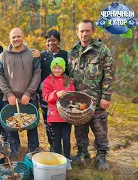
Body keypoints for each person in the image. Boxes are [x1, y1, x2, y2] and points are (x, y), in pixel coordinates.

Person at [68, 20, 115, 171]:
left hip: (96, 100)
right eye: (81, 31)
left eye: (87, 31)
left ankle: (101, 156)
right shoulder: (72, 52)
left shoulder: (102, 50)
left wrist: (106, 97)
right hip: (78, 101)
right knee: (80, 129)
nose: (84, 34)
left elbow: (109, 74)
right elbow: (69, 77)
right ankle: (83, 153)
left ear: (93, 31)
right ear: (77, 32)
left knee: (100, 129)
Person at [0, 28, 41, 155]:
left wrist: (28, 92)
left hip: (29, 97)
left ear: (23, 37)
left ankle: (34, 151)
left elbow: (37, 73)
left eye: (18, 36)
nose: (16, 39)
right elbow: (0, 76)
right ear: (9, 39)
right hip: (10, 98)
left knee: (31, 125)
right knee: (11, 125)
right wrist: (9, 94)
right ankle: (14, 150)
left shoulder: (32, 54)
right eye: (13, 37)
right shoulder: (3, 56)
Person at [39, 30, 69, 151]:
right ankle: (54, 146)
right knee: (48, 121)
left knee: (63, 119)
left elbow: (69, 73)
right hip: (47, 95)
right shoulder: (42, 56)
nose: (51, 43)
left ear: (58, 41)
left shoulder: (65, 55)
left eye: (54, 40)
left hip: (63, 94)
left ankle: (65, 148)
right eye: (48, 40)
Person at [42, 57, 75, 169]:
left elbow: (72, 94)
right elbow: (46, 97)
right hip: (54, 115)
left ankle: (67, 159)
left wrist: (66, 94)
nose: (57, 70)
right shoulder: (47, 81)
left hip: (66, 114)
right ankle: (57, 160)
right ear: (51, 68)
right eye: (55, 68)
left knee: (66, 137)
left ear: (63, 68)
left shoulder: (68, 81)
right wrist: (56, 94)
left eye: (59, 67)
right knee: (56, 139)